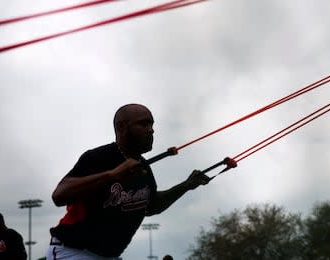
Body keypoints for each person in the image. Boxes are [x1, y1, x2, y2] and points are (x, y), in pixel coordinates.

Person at [47, 103, 210, 260]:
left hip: (109, 256)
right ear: (121, 127)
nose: (151, 130)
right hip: (72, 252)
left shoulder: (143, 166)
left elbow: (152, 206)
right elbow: (59, 195)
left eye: (152, 124)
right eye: (143, 124)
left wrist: (187, 185)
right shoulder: (97, 157)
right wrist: (112, 175)